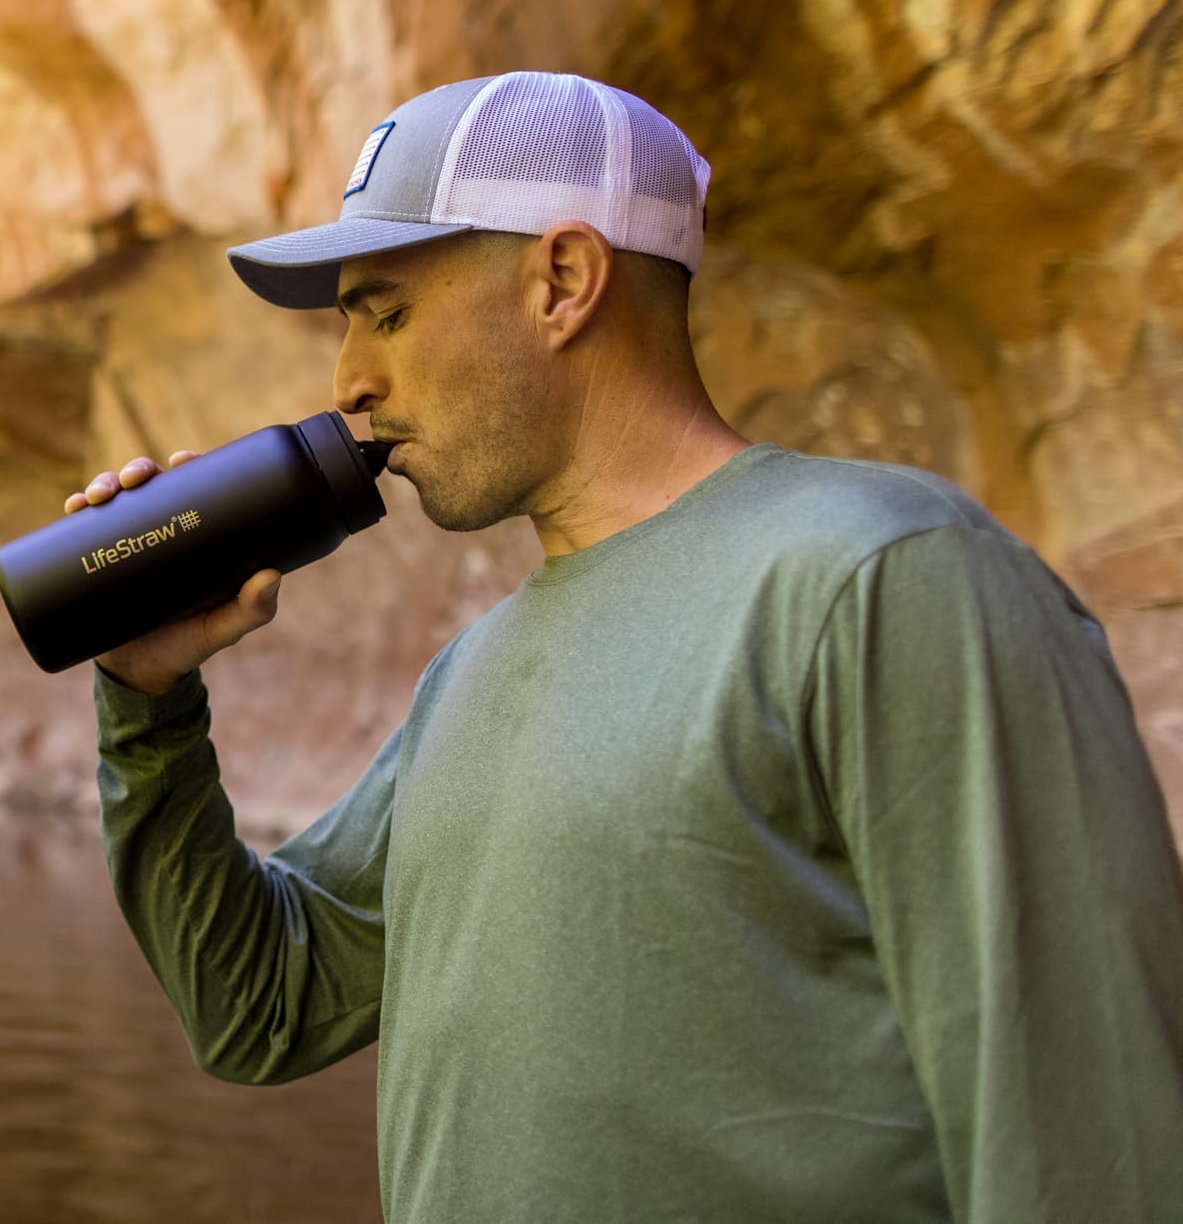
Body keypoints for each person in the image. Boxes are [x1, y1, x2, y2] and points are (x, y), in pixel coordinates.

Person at [74, 71, 1183, 1224]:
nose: (349, 380)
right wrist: (144, 697)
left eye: (386, 311)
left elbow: (1087, 1137)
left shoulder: (884, 576)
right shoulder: (473, 669)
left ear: (563, 282)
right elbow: (259, 1005)